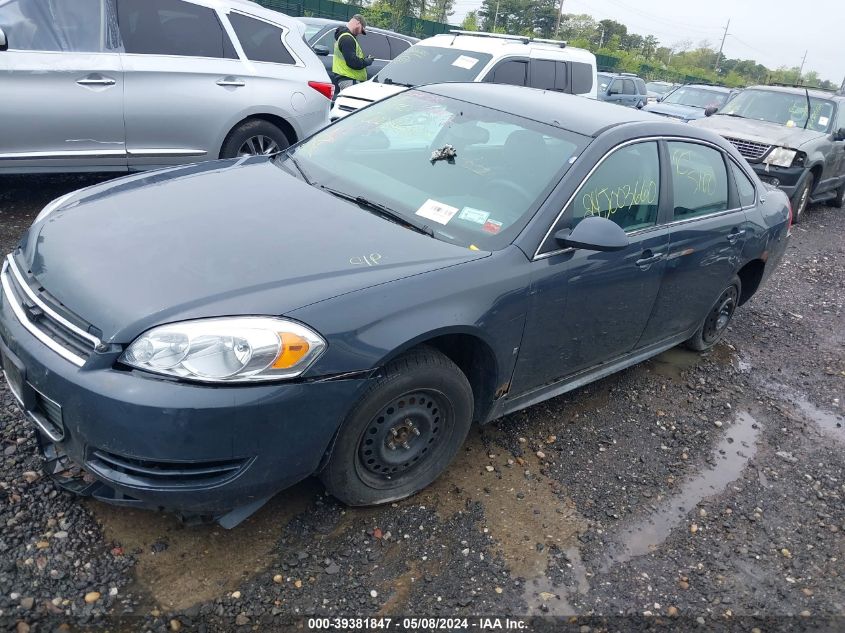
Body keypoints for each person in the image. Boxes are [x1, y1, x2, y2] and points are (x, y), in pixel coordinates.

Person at [332, 14, 374, 93]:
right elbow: (352, 62)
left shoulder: (345, 37)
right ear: (358, 23)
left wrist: (364, 59)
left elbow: (351, 58)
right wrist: (367, 61)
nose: (360, 33)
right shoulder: (347, 38)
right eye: (361, 30)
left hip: (348, 80)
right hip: (350, 81)